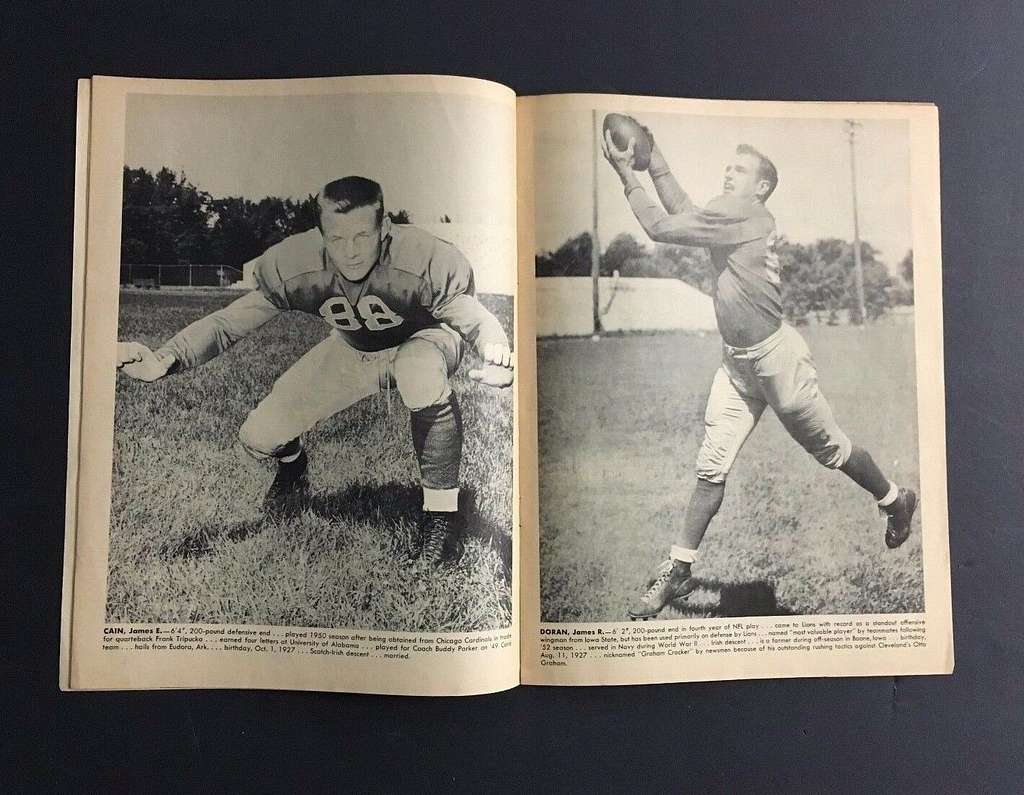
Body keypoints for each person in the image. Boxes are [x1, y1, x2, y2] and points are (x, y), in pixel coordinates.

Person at [602, 122, 918, 620]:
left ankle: (894, 498)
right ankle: (679, 569)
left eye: (741, 169)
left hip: (777, 360)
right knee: (712, 465)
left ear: (763, 187)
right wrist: (655, 157)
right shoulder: (732, 214)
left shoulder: (743, 212)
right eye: (729, 165)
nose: (729, 172)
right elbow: (685, 212)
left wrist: (627, 172)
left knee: (831, 449)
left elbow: (662, 227)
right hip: (737, 363)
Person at [116, 176, 514, 567]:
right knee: (258, 436)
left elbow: (473, 317)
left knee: (417, 368)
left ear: (385, 228)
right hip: (352, 347)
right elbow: (227, 323)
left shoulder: (422, 258)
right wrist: (166, 359)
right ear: (320, 233)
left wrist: (495, 349)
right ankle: (294, 466)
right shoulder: (296, 264)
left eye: (363, 235)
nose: (352, 251)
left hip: (426, 340)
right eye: (337, 238)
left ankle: (440, 520)